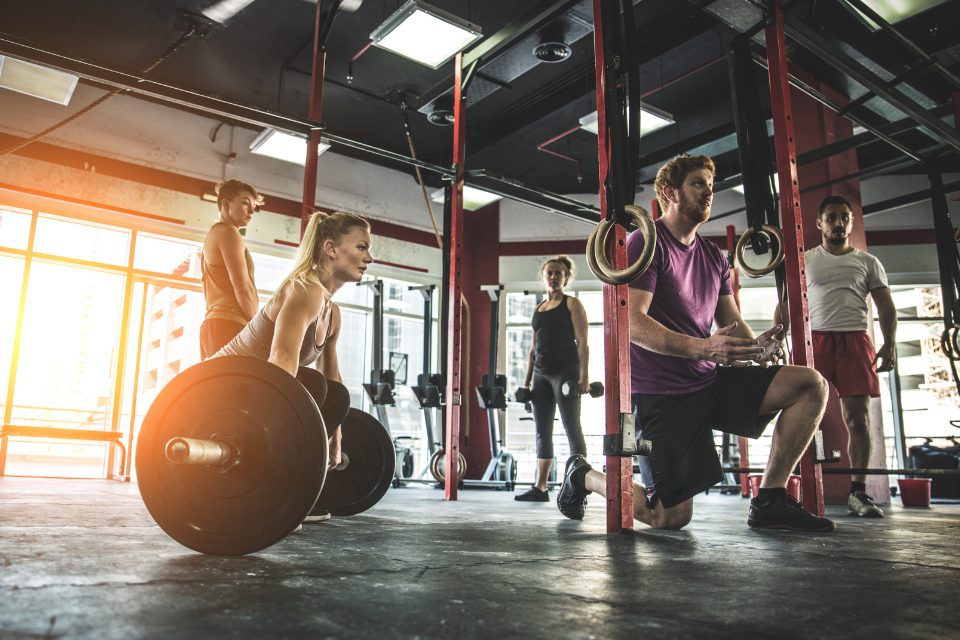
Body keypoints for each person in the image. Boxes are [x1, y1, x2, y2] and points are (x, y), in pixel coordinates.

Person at [557, 153, 835, 532]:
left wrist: (758, 351)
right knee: (669, 517)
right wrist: (705, 348)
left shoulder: (712, 255)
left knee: (809, 384)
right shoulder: (645, 244)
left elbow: (731, 326)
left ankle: (770, 498)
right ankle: (583, 474)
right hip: (662, 393)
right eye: (698, 184)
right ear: (670, 192)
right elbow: (632, 324)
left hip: (707, 382)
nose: (709, 193)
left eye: (711, 185)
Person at [213, 210, 373, 522]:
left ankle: (292, 487)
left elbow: (334, 384)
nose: (369, 258)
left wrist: (335, 439)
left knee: (332, 392)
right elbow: (281, 362)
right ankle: (274, 485)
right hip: (217, 385)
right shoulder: (305, 289)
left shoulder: (332, 312)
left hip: (252, 388)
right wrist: (273, 445)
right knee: (309, 385)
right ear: (330, 249)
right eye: (361, 247)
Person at [796, 195, 896, 517]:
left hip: (855, 342)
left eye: (844, 217)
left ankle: (858, 492)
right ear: (819, 223)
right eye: (832, 217)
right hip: (817, 342)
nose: (838, 223)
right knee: (803, 417)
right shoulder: (806, 259)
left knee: (858, 420)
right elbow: (786, 305)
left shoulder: (868, 262)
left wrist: (890, 342)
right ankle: (800, 489)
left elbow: (885, 306)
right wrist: (782, 339)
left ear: (851, 222)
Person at [514, 256, 591, 502]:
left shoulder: (572, 304)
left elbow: (583, 343)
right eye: (550, 273)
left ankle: (578, 487)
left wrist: (584, 377)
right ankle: (541, 488)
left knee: (571, 427)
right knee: (541, 431)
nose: (554, 277)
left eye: (559, 273)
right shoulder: (538, 308)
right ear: (543, 276)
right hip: (540, 375)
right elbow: (533, 349)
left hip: (565, 372)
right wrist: (526, 383)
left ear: (566, 277)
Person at [199, 180, 263, 359]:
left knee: (217, 386)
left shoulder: (214, 234)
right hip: (228, 325)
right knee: (234, 387)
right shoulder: (229, 233)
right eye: (244, 203)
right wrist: (259, 330)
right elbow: (242, 288)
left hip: (214, 325)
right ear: (226, 204)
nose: (251, 211)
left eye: (253, 206)